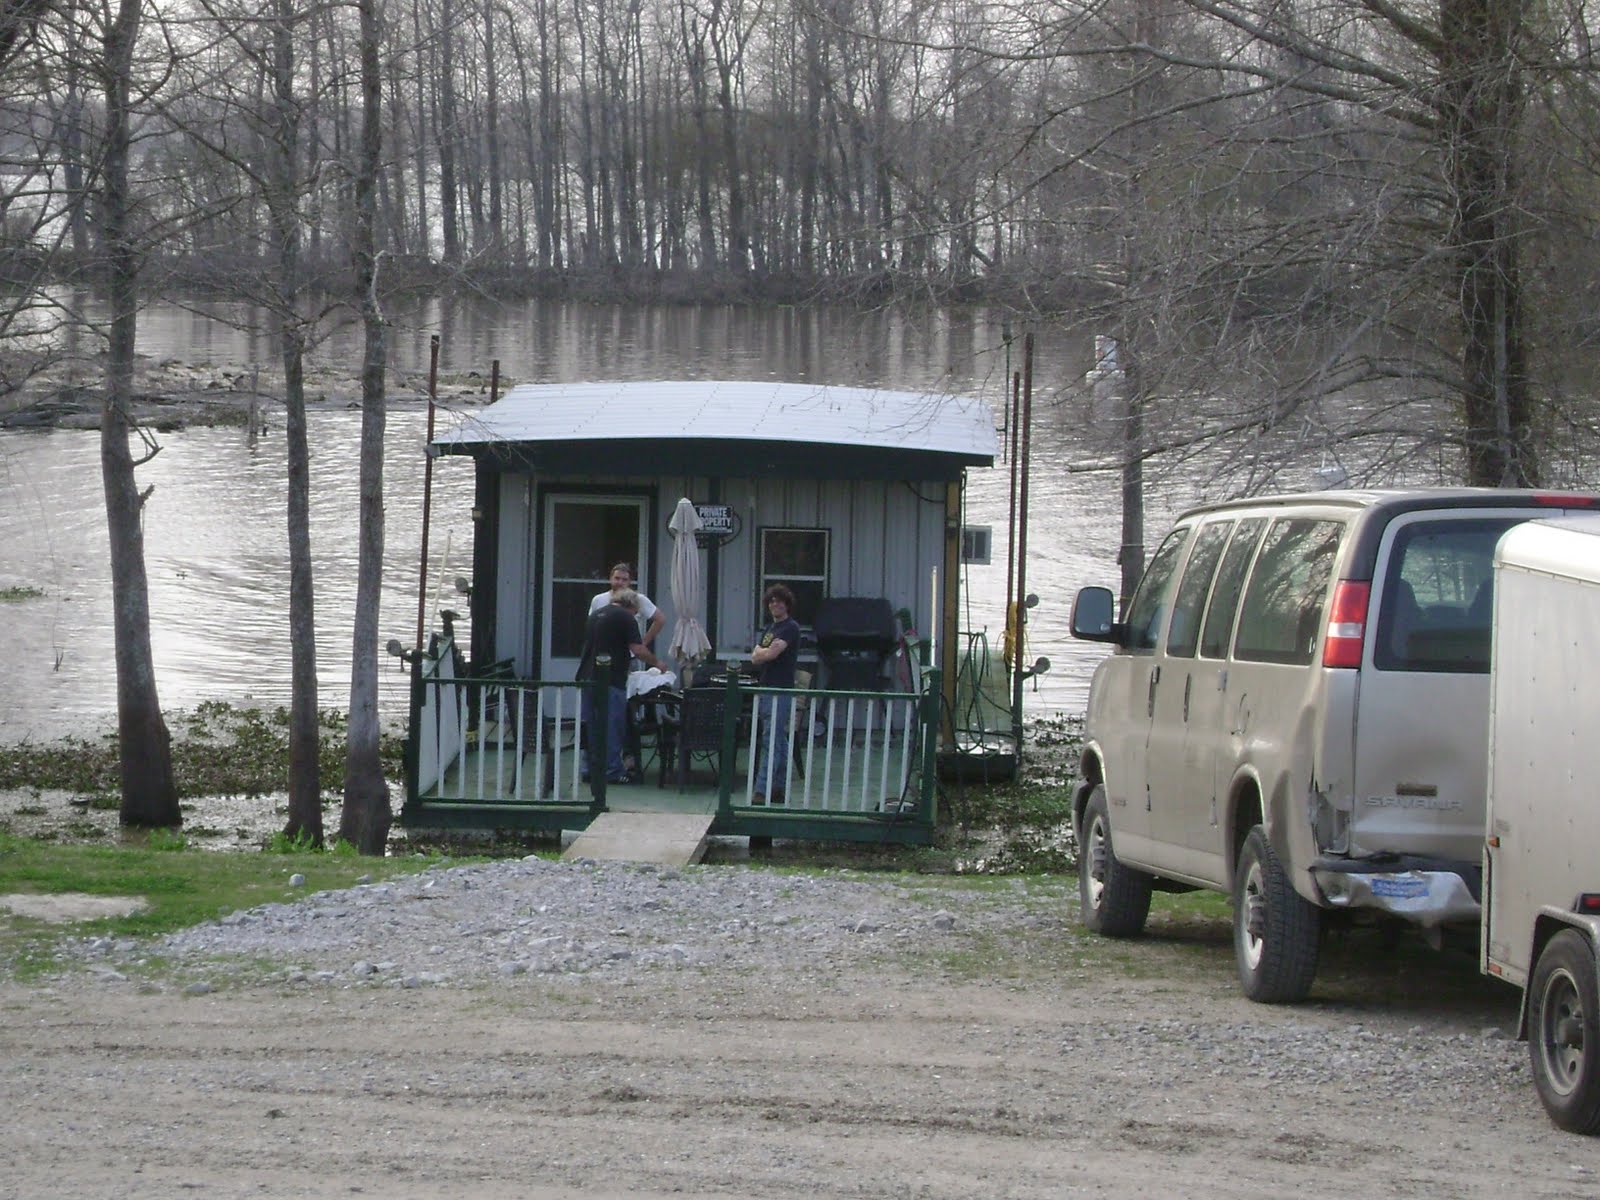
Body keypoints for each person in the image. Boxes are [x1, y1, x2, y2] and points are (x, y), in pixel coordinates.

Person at [577, 589, 663, 783]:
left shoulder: (595, 615)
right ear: (631, 605)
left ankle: (588, 768)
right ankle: (613, 771)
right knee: (613, 725)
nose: (635, 615)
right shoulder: (626, 617)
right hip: (611, 677)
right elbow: (637, 649)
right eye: (636, 612)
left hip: (587, 676)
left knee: (590, 725)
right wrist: (658, 663)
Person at [749, 584, 801, 804]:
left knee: (772, 740)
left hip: (780, 690)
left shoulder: (790, 627)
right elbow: (755, 656)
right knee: (777, 739)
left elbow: (770, 654)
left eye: (779, 601)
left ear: (787, 604)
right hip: (766, 688)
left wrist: (762, 652)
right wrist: (762, 652)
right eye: (771, 601)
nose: (774, 604)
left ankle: (761, 791)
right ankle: (778, 788)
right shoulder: (770, 629)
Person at [588, 562, 665, 656]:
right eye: (617, 578)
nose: (620, 582)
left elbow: (660, 619)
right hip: (601, 654)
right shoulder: (598, 599)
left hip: (628, 655)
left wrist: (642, 643)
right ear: (610, 579)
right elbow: (591, 625)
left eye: (624, 580)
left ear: (629, 582)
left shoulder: (638, 599)